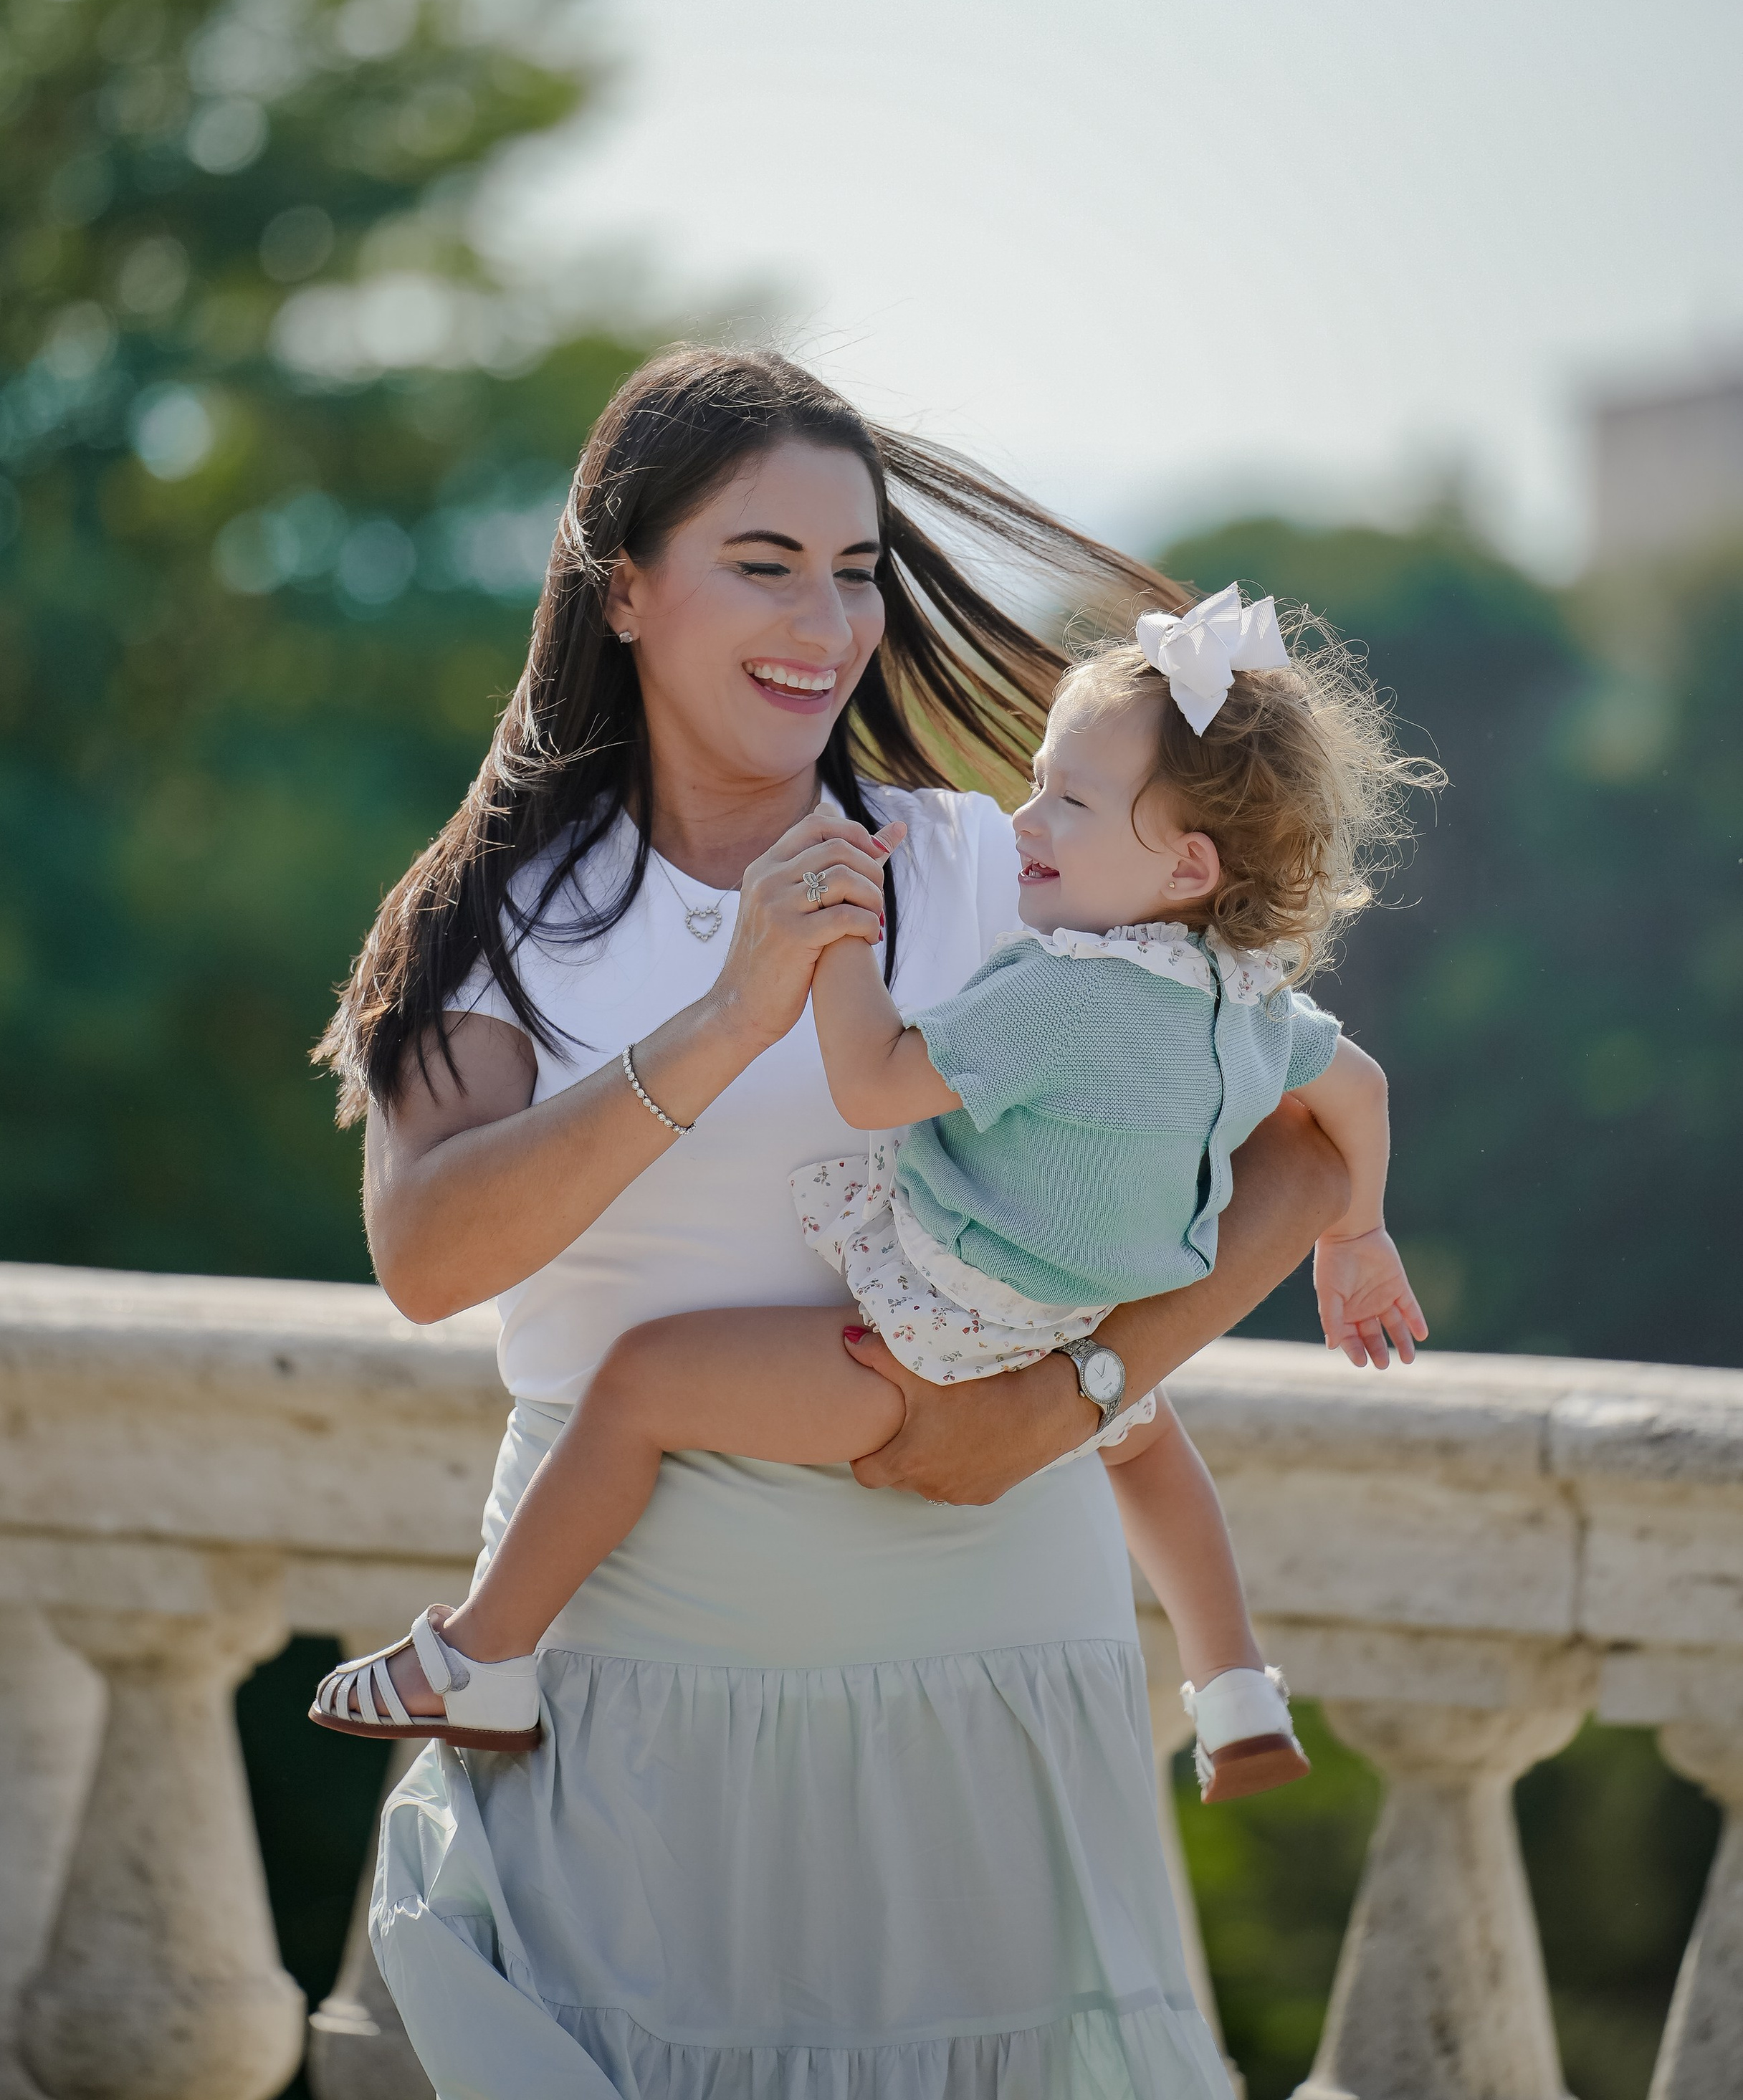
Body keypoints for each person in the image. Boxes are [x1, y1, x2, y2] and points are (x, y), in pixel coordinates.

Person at [315, 345, 1362, 2099]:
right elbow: (429, 1259)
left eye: (857, 569)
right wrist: (729, 1017)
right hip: (639, 1710)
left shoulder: (997, 872)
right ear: (623, 588)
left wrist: (1075, 1399)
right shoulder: (491, 917)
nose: (825, 622)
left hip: (990, 1688)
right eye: (764, 564)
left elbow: (1306, 1153)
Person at [312, 586, 1431, 1808]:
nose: (1025, 817)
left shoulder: (1061, 986)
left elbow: (874, 1082)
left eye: (1067, 799)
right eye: (1037, 784)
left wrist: (842, 941)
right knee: (1150, 1446)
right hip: (1081, 1330)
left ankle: (484, 1657)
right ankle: (1236, 1691)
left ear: (1187, 861)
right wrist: (1361, 1235)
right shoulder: (1252, 1002)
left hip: (949, 1330)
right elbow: (1361, 1097)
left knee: (638, 1385)